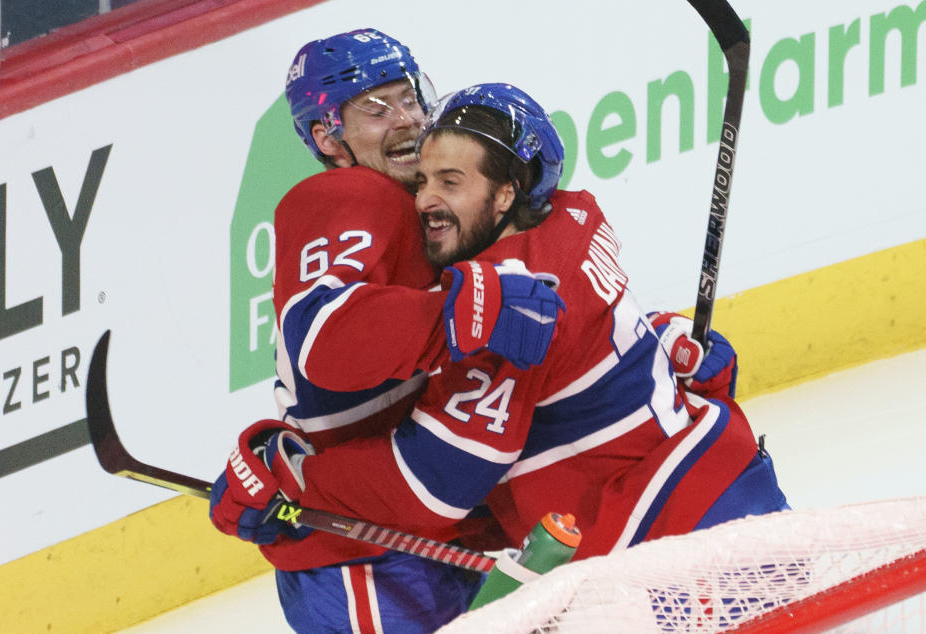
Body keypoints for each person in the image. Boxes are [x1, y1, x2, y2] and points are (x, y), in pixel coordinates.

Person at [213, 82, 787, 584]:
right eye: (423, 180)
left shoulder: (512, 302)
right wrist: (670, 337)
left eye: (451, 182)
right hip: (726, 478)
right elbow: (595, 332)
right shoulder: (575, 215)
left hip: (658, 545)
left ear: (506, 193)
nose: (425, 201)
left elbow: (437, 479)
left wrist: (293, 476)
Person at [209, 31, 565, 633]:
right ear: (327, 137)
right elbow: (323, 336)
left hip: (456, 527)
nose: (407, 120)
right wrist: (460, 315)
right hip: (361, 555)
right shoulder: (347, 194)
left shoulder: (438, 198)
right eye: (376, 109)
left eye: (410, 98)